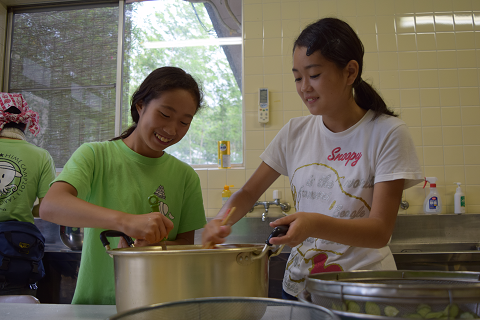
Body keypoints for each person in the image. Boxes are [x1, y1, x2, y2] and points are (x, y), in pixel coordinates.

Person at [202, 17, 423, 300]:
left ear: (350, 72)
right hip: (300, 288)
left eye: (314, 75)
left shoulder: (387, 133)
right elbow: (248, 193)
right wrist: (220, 221)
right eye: (297, 77)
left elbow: (379, 231)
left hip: (363, 290)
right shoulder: (295, 132)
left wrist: (314, 223)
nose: (304, 87)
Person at [40, 67, 207, 305]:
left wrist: (152, 247)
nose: (172, 130)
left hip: (159, 305)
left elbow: (184, 245)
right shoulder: (96, 155)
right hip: (95, 305)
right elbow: (51, 205)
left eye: (184, 122)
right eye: (164, 115)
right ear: (140, 106)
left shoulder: (185, 176)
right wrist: (126, 221)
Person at [0, 92, 56, 296]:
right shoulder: (41, 156)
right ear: (24, 124)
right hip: (16, 252)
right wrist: (22, 207)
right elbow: (47, 207)